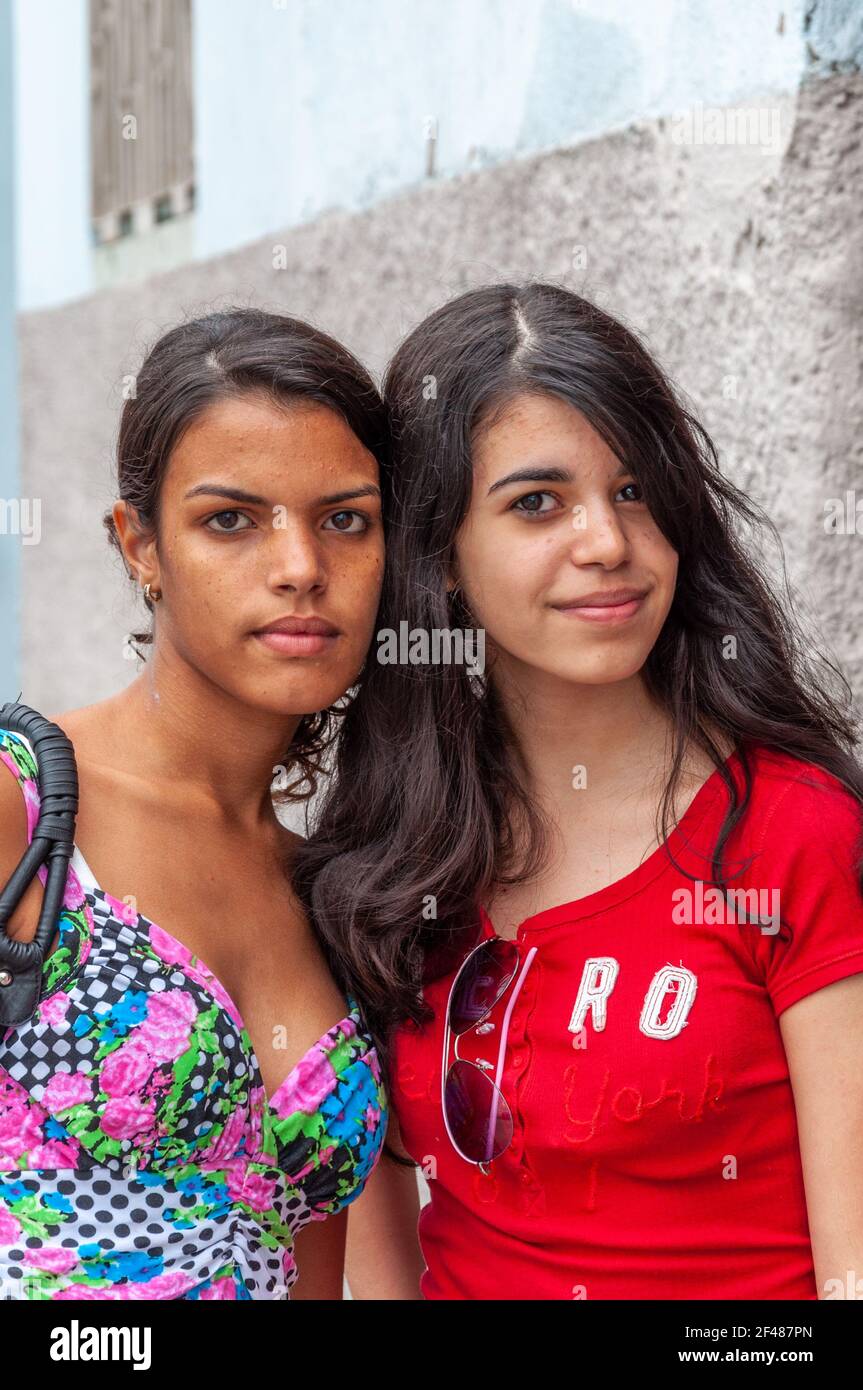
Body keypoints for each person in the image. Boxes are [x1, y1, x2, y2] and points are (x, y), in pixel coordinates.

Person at [295, 281, 863, 1300]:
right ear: (442, 556)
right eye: (536, 503)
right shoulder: (394, 860)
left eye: (635, 490)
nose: (606, 541)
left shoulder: (790, 836)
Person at [0, 307, 409, 1300]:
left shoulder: (326, 884)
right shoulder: (24, 811)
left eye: (343, 518)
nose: (300, 567)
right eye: (231, 519)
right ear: (138, 544)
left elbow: (308, 1251)